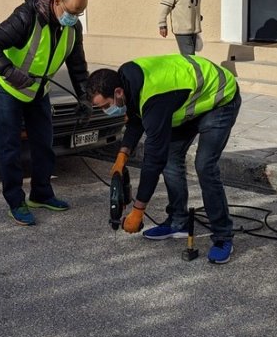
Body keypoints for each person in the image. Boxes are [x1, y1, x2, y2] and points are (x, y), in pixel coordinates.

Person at [87, 54, 241, 264]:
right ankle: (178, 222)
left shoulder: (154, 99)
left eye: (105, 106)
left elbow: (153, 161)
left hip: (219, 99)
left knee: (204, 165)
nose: (106, 111)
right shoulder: (126, 81)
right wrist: (123, 154)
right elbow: (135, 119)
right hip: (186, 101)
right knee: (170, 158)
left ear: (118, 92)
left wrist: (138, 211)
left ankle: (223, 236)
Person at [0, 0, 93, 226]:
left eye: (78, 14)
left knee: (44, 143)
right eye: (71, 12)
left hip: (38, 90)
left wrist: (84, 96)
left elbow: (77, 65)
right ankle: (15, 201)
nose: (73, 18)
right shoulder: (26, 17)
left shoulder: (73, 28)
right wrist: (9, 72)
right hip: (8, 87)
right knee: (10, 147)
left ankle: (41, 193)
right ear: (56, 2)